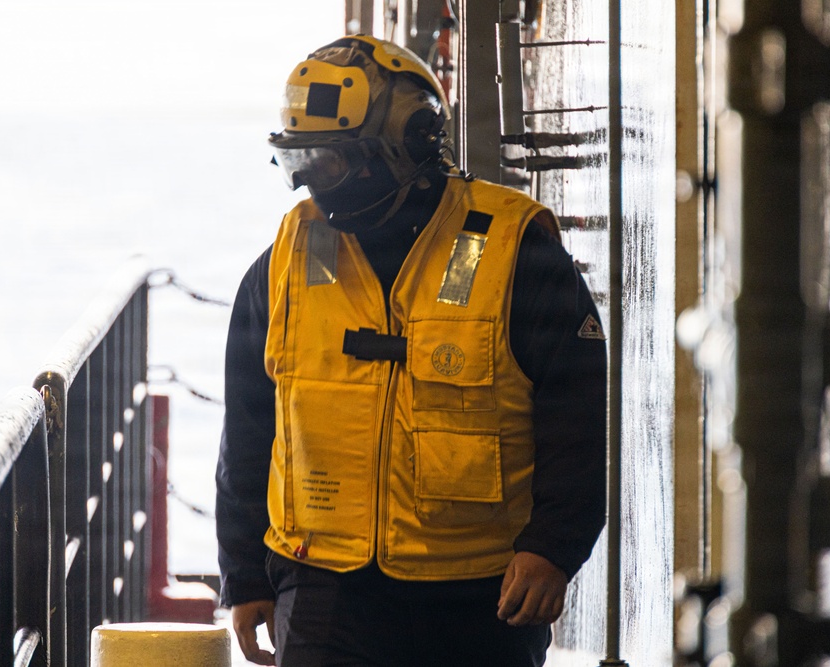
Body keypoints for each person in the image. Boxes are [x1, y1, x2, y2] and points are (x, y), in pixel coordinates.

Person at [216, 34, 607, 667]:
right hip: (322, 587)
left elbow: (578, 415)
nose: (315, 185)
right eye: (301, 162)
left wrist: (553, 549)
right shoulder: (286, 261)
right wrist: (244, 577)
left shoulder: (510, 251)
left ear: (408, 146)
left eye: (333, 163)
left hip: (481, 593)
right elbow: (249, 426)